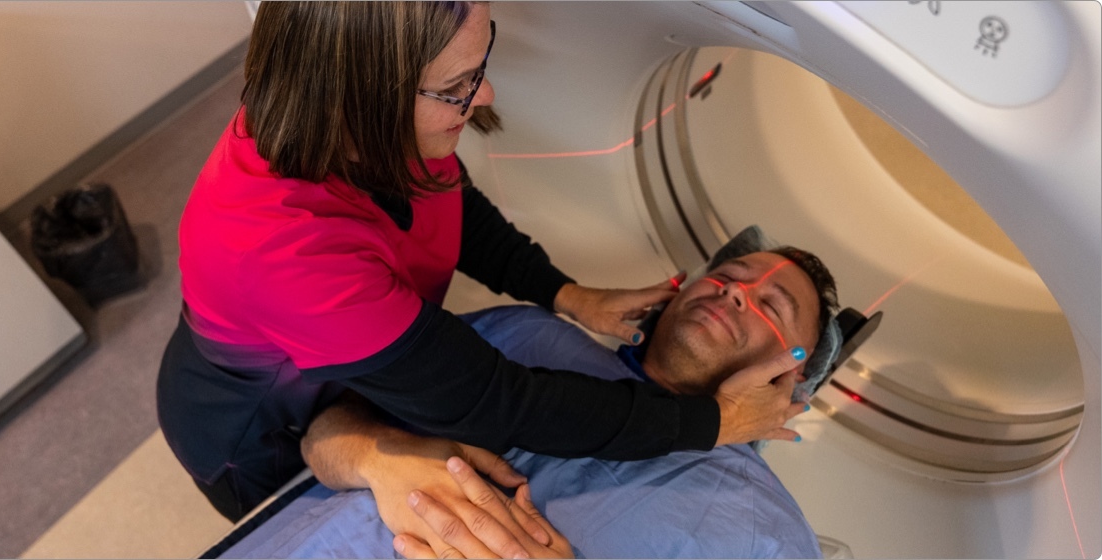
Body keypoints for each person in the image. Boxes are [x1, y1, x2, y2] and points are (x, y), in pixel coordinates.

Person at [157, 0, 807, 524]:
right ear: (359, 105)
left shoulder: (380, 126)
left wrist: (563, 294)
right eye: (457, 87)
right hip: (256, 429)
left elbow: (451, 208)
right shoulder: (284, 247)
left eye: (480, 62)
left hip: (345, 364)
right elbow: (498, 402)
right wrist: (710, 422)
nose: (485, 94)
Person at [217, 241, 840, 559]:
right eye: (727, 277)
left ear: (793, 377)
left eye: (769, 306)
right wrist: (381, 459)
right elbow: (325, 432)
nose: (736, 292)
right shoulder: (524, 334)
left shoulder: (763, 528)